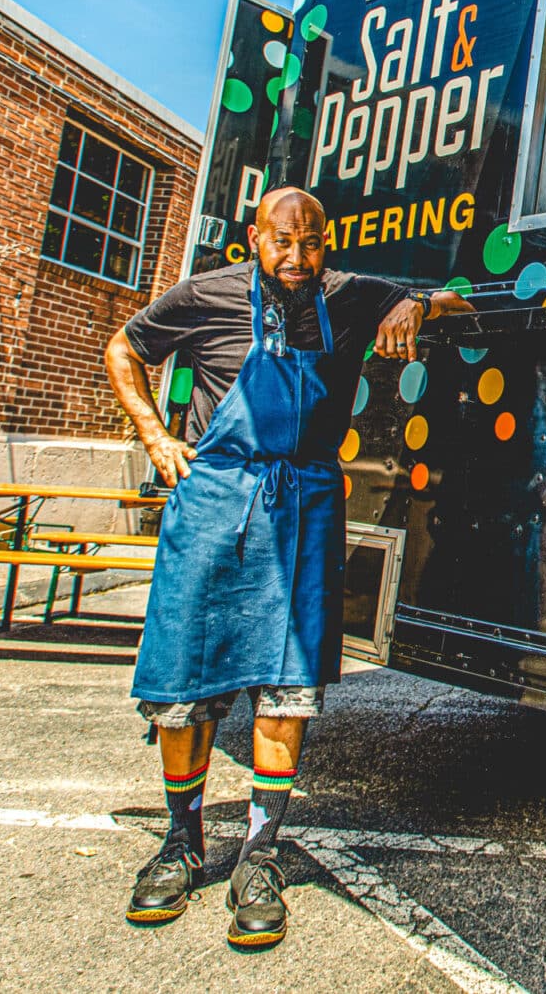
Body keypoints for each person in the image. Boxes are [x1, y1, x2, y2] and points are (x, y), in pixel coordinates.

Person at [103, 186, 469, 950]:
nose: (298, 257)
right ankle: (181, 842)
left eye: (311, 242)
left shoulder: (353, 294)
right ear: (254, 238)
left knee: (286, 689)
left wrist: (417, 304)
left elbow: (458, 303)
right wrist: (156, 438)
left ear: (327, 242)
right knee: (187, 686)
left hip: (303, 506)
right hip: (213, 502)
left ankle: (259, 855)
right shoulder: (206, 295)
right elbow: (123, 349)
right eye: (282, 241)